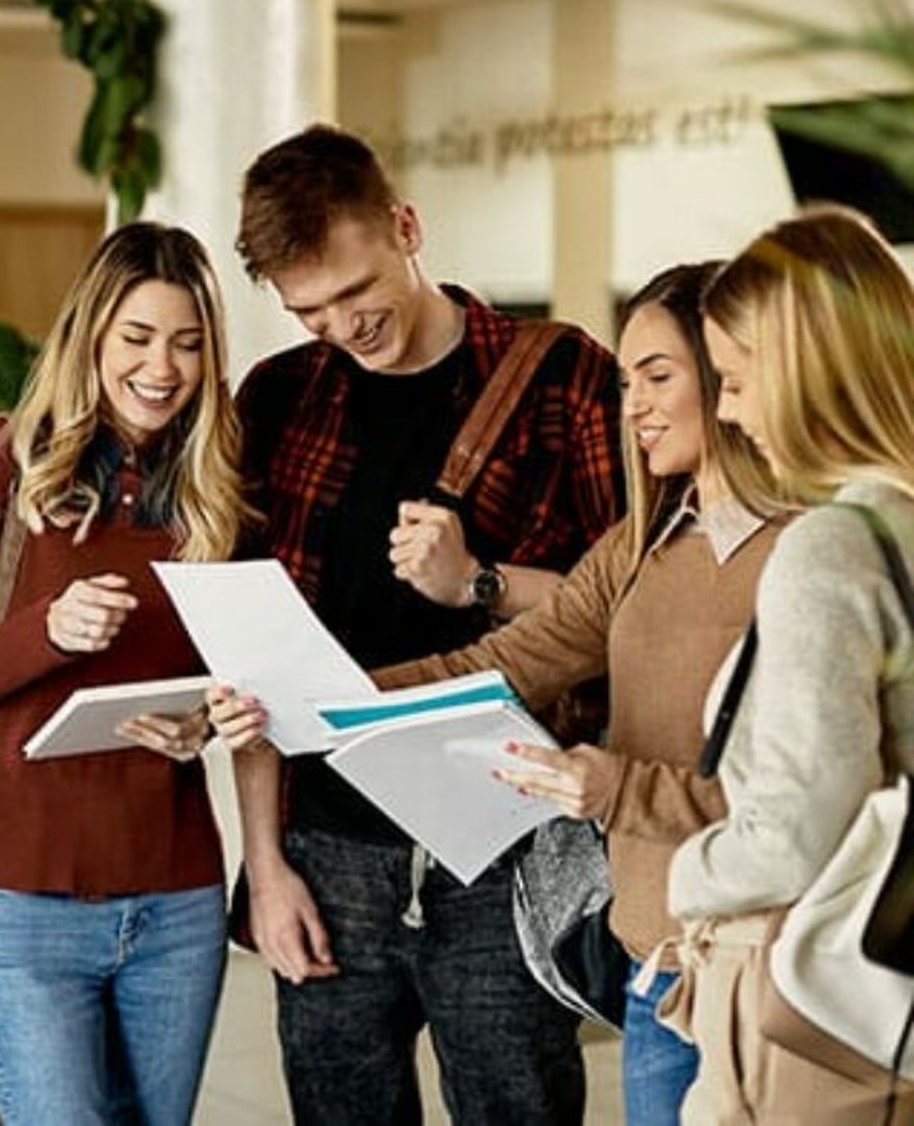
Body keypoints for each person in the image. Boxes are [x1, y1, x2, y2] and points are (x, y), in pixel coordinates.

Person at [268, 262, 779, 1126]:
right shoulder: (642, 543)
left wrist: (610, 786)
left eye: (659, 377)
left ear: (733, 371)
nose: (635, 406)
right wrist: (306, 702)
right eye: (626, 382)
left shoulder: (812, 550)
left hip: (769, 976)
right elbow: (505, 662)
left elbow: (811, 796)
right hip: (657, 969)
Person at [213, 124, 623, 1126]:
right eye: (309, 310)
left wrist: (480, 583)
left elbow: (629, 604)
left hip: (503, 844)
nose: (343, 326)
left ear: (405, 226)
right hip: (327, 851)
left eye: (357, 292)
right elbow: (253, 658)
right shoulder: (278, 399)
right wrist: (265, 870)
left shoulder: (564, 379)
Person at [0, 221, 254, 1126]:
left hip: (177, 896)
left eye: (187, 343)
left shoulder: (214, 483)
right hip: (22, 899)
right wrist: (48, 632)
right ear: (90, 335)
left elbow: (239, 669)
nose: (162, 368)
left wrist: (204, 723)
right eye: (137, 339)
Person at [664, 207, 914, 1125]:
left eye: (732, 379)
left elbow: (799, 832)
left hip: (807, 996)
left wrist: (686, 876)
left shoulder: (832, 548)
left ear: (809, 370)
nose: (727, 411)